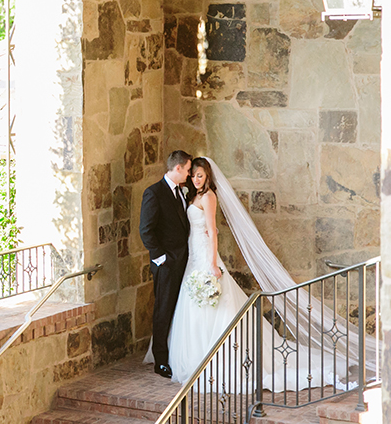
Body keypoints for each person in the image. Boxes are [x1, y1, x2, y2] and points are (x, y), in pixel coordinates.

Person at [148, 157, 348, 390]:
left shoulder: (209, 196)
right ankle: (194, 356)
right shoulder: (190, 195)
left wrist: (213, 263)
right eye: (193, 175)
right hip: (191, 257)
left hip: (204, 256)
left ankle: (219, 359)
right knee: (192, 306)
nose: (195, 178)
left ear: (208, 176)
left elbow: (213, 231)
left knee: (215, 306)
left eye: (200, 175)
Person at [139, 150, 192, 379]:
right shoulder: (154, 193)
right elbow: (146, 230)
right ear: (178, 168)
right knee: (163, 309)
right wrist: (162, 259)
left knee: (179, 309)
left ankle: (177, 353)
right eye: (188, 170)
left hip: (186, 262)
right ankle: (160, 361)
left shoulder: (183, 192)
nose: (190, 175)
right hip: (167, 264)